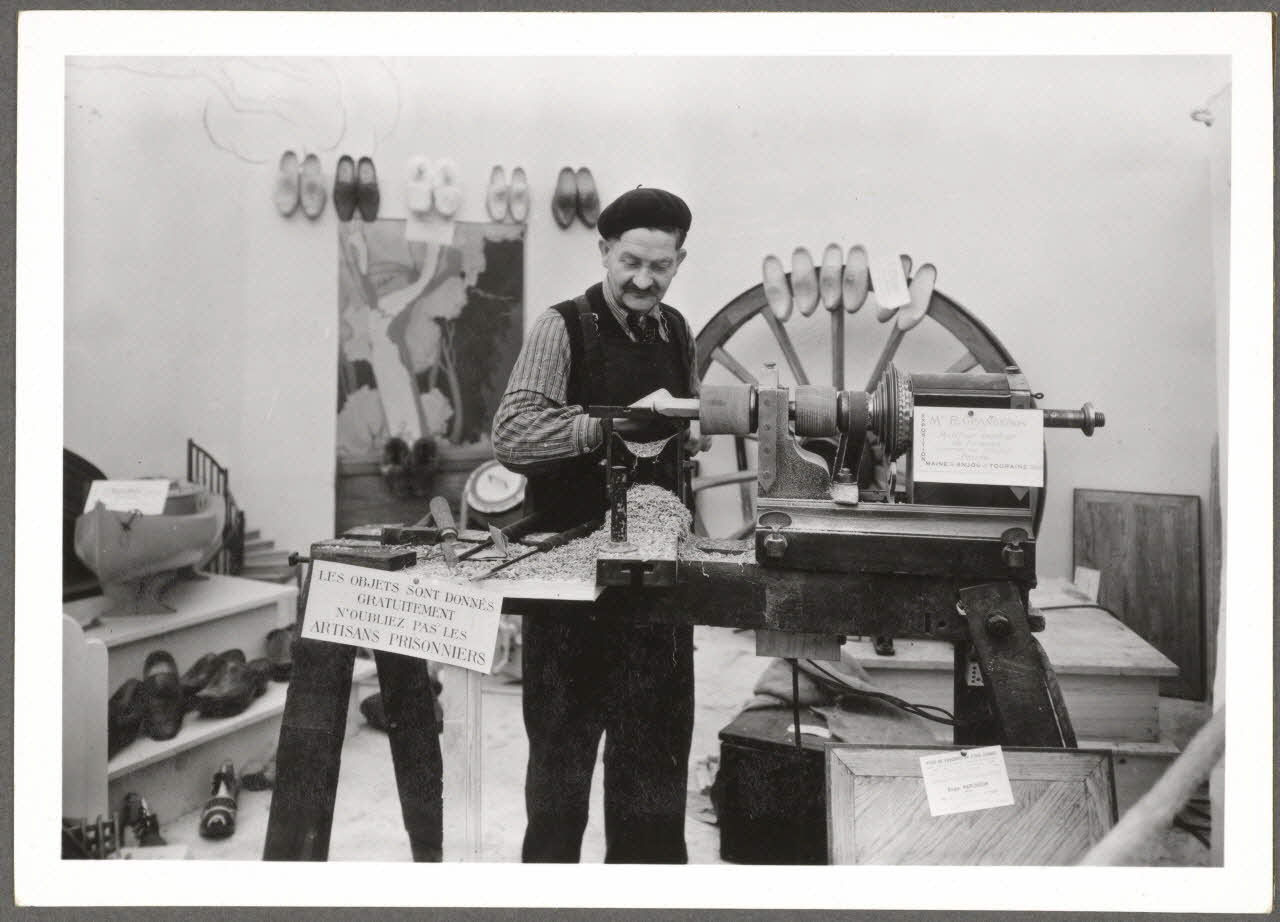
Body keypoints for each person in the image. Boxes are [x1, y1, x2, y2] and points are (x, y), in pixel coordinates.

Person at [492, 186, 700, 863]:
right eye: (630, 263)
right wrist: (610, 425)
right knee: (560, 778)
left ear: (679, 263)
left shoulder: (677, 331)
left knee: (654, 783)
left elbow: (685, 436)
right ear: (604, 251)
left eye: (659, 267)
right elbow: (514, 436)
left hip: (657, 585)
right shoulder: (563, 327)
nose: (644, 280)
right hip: (571, 585)